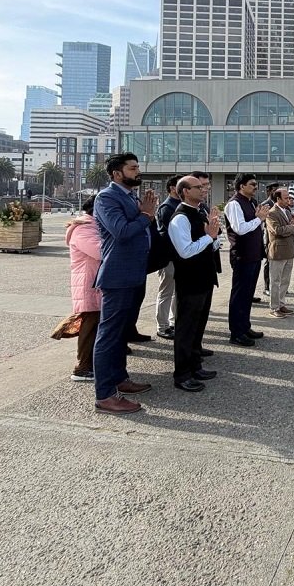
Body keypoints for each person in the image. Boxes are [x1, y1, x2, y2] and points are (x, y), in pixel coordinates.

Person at [92, 153, 158, 416]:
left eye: (138, 167)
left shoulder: (130, 196)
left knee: (121, 333)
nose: (137, 172)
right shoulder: (106, 198)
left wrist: (144, 213)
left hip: (134, 274)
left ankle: (120, 378)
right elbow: (121, 231)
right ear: (117, 174)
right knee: (108, 335)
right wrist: (146, 216)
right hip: (118, 276)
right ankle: (105, 395)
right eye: (132, 168)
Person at [168, 176, 223, 392]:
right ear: (184, 191)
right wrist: (209, 237)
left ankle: (195, 365)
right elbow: (185, 251)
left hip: (204, 278)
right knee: (186, 328)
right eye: (198, 187)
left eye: (204, 187)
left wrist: (215, 236)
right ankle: (182, 374)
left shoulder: (200, 212)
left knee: (198, 326)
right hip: (190, 280)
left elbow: (209, 243)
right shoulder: (180, 218)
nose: (203, 190)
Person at [223, 172, 269, 347]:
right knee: (239, 295)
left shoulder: (251, 202)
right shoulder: (234, 204)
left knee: (248, 294)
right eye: (252, 184)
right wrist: (259, 219)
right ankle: (236, 332)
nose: (256, 187)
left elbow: (256, 225)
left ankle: (245, 326)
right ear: (241, 186)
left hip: (254, 255)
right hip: (242, 255)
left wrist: (259, 219)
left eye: (256, 184)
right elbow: (240, 229)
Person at [65, 196, 101, 383]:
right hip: (89, 284)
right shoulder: (85, 228)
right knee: (90, 325)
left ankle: (91, 364)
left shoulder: (93, 226)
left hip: (95, 283)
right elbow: (101, 251)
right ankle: (83, 367)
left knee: (95, 324)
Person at [155, 174, 183, 340]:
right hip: (169, 258)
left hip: (180, 257)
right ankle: (163, 326)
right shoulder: (167, 207)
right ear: (173, 188)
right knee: (166, 292)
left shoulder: (180, 205)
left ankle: (173, 322)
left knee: (176, 293)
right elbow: (167, 235)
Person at [265, 187, 294, 317]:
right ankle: (274, 307)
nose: (288, 200)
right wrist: (293, 226)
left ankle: (281, 303)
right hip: (278, 251)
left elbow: (293, 228)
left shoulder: (287, 211)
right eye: (286, 198)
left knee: (285, 280)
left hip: (289, 251)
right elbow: (277, 231)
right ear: (278, 199)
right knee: (275, 281)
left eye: (289, 197)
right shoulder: (272, 213)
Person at [259, 182, 278, 297]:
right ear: (270, 191)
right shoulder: (265, 204)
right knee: (268, 262)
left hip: (279, 237)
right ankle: (266, 287)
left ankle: (277, 286)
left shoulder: (279, 203)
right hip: (268, 236)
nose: (276, 192)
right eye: (275, 190)